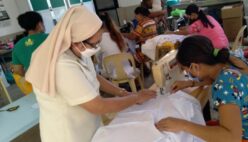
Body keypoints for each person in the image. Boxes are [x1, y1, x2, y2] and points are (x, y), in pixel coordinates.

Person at [25, 6, 156, 142]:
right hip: (68, 134)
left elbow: (94, 76)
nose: (97, 47)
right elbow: (97, 106)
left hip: (87, 125)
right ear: (77, 40)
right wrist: (135, 98)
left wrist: (122, 92)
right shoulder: (61, 65)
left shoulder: (79, 49)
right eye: (95, 44)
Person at [156, 35, 248, 142]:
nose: (187, 74)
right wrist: (191, 83)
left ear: (195, 67)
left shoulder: (223, 85)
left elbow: (231, 137)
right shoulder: (230, 59)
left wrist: (182, 125)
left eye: (185, 70)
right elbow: (216, 78)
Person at [11, 11, 48, 95]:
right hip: (57, 79)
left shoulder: (17, 46)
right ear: (39, 24)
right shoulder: (50, 38)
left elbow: (17, 70)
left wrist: (30, 75)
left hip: (36, 85)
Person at [95, 12, 134, 78]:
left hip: (112, 73)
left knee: (97, 69)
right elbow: (126, 49)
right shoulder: (118, 35)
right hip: (128, 70)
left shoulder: (98, 39)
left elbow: (97, 59)